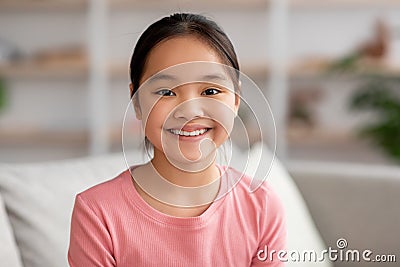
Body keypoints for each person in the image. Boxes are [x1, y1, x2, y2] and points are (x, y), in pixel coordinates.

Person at [68, 13, 286, 266]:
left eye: (210, 91)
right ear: (136, 101)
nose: (190, 111)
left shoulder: (262, 205)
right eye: (166, 92)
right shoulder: (96, 212)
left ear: (236, 100)